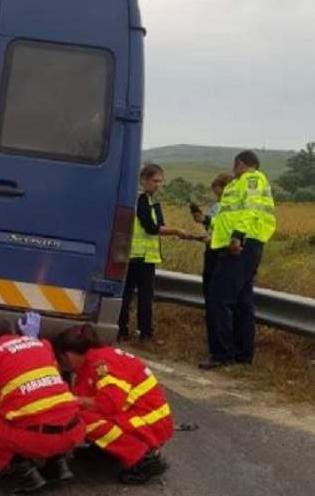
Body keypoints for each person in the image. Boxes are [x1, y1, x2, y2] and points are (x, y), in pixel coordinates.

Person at [0, 316, 85, 495]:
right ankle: (57, 465)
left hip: (39, 439)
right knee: (44, 407)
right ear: (14, 333)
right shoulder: (42, 345)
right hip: (73, 430)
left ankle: (21, 471)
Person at [54, 324, 172, 484]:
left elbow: (109, 404)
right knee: (81, 410)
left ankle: (143, 457)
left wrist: (72, 400)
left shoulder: (101, 364)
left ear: (71, 353)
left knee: (80, 418)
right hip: (143, 417)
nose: (63, 363)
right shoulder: (91, 363)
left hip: (151, 423)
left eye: (63, 357)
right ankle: (107, 449)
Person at [201, 151, 276, 369]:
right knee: (242, 302)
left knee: (218, 297)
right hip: (238, 244)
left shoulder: (252, 178)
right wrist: (207, 221)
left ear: (240, 164)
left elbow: (250, 210)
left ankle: (222, 354)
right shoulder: (238, 184)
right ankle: (242, 355)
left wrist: (238, 236)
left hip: (242, 245)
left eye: (235, 166)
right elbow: (227, 217)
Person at [118, 164, 186, 342]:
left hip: (137, 255)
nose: (158, 185)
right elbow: (151, 228)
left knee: (129, 295)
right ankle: (143, 332)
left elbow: (158, 224)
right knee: (143, 297)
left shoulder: (149, 201)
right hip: (140, 257)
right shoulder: (141, 200)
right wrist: (176, 231)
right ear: (144, 180)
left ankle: (124, 330)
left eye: (160, 181)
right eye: (155, 181)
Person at [189, 174, 234, 305]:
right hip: (212, 248)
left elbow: (226, 231)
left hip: (221, 251)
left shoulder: (231, 208)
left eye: (219, 193)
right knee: (210, 286)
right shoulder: (217, 206)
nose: (218, 197)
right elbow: (211, 227)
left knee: (216, 289)